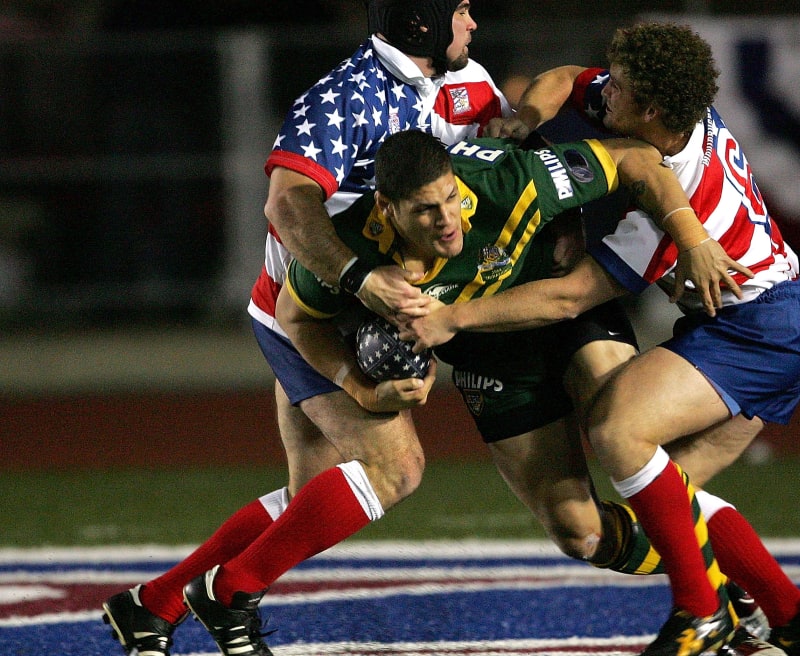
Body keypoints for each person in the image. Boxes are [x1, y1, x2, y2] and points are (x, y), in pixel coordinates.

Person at [402, 22, 800, 656]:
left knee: (617, 431)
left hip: (762, 332)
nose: (606, 94)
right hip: (751, 324)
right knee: (666, 505)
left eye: (622, 88)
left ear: (652, 110)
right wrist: (523, 118)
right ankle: (789, 613)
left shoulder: (676, 198)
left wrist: (453, 319)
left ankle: (700, 610)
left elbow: (571, 295)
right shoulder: (670, 118)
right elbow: (563, 82)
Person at [101, 2, 514, 655]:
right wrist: (360, 279)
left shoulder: (472, 84)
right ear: (421, 25)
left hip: (368, 309)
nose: (473, 24)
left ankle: (153, 605)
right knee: (395, 467)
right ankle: (228, 592)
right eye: (460, 11)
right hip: (312, 312)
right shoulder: (345, 96)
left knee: (309, 496)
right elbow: (287, 201)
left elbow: (500, 165)